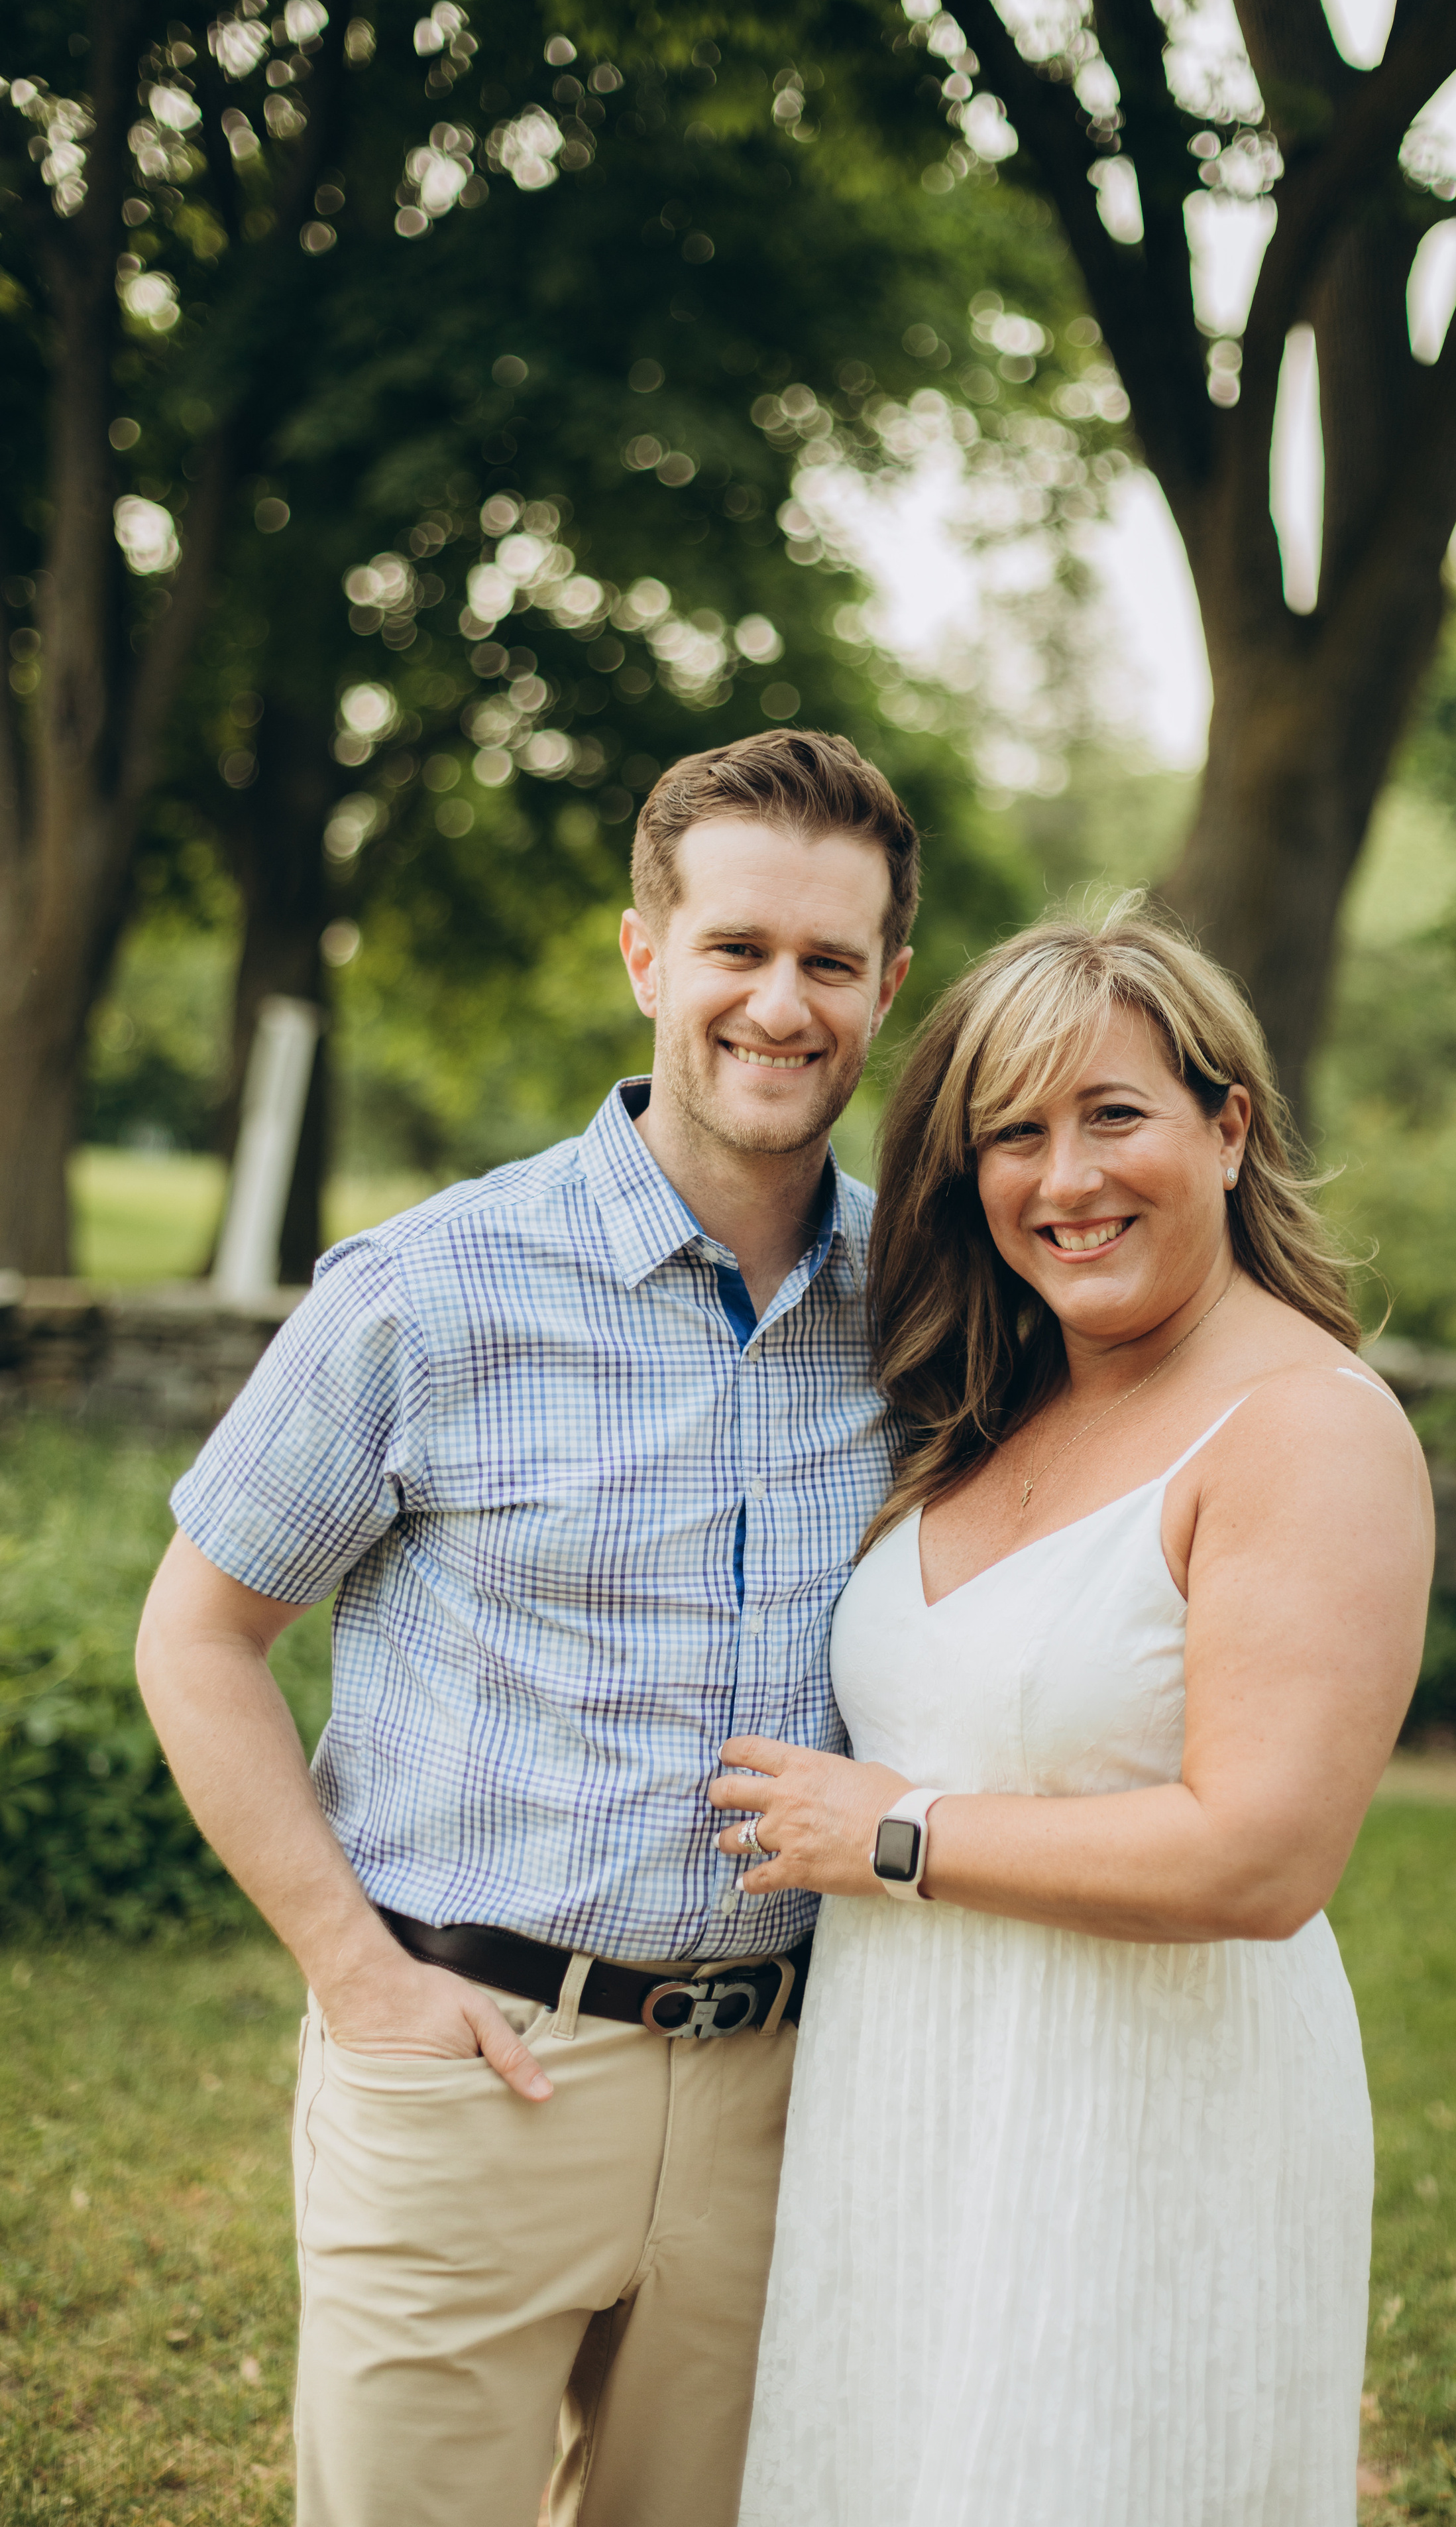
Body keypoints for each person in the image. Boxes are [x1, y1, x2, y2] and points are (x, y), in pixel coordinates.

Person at [135, 729, 915, 2527]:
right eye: (736, 948)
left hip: (787, 2089)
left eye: (827, 962)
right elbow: (198, 1636)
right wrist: (355, 1975)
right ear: (646, 956)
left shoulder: (931, 1308)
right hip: (476, 2066)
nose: (778, 1004)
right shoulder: (427, 1290)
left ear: (886, 988)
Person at [713, 901, 1435, 2527]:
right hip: (906, 2104)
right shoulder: (988, 1398)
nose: (1065, 1178)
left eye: (1113, 1116)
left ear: (1226, 1126)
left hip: (1142, 2131)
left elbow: (1260, 1857)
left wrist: (890, 1832)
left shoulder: (1305, 1431)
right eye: (1013, 1136)